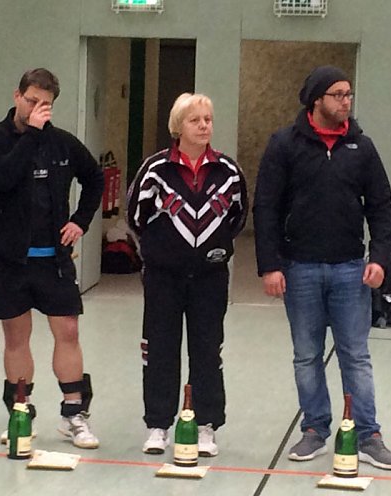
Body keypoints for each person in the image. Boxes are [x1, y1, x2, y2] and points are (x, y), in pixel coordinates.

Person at [253, 65, 391, 469]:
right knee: (306, 355)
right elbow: (266, 207)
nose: (346, 101)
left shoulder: (362, 148)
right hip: (299, 268)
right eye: (338, 95)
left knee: (356, 355)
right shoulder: (284, 144)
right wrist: (270, 265)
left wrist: (379, 258)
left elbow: (381, 206)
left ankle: (368, 435)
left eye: (349, 94)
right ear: (316, 100)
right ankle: (315, 428)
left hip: (350, 268)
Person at [0, 68, 104, 449]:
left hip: (53, 260)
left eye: (45, 104)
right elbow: (2, 178)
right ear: (17, 96)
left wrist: (80, 221)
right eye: (32, 101)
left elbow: (94, 178)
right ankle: (20, 412)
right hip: (9, 260)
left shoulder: (62, 143)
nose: (37, 109)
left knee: (68, 331)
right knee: (17, 337)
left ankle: (74, 413)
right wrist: (31, 134)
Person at [127, 93, 248, 457]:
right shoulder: (155, 170)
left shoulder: (228, 172)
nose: (204, 126)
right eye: (195, 120)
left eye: (208, 119)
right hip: (163, 277)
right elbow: (135, 216)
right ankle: (158, 424)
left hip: (210, 277)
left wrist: (210, 248)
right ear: (178, 126)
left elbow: (237, 218)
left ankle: (206, 425)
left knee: (208, 349)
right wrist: (163, 249)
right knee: (159, 348)